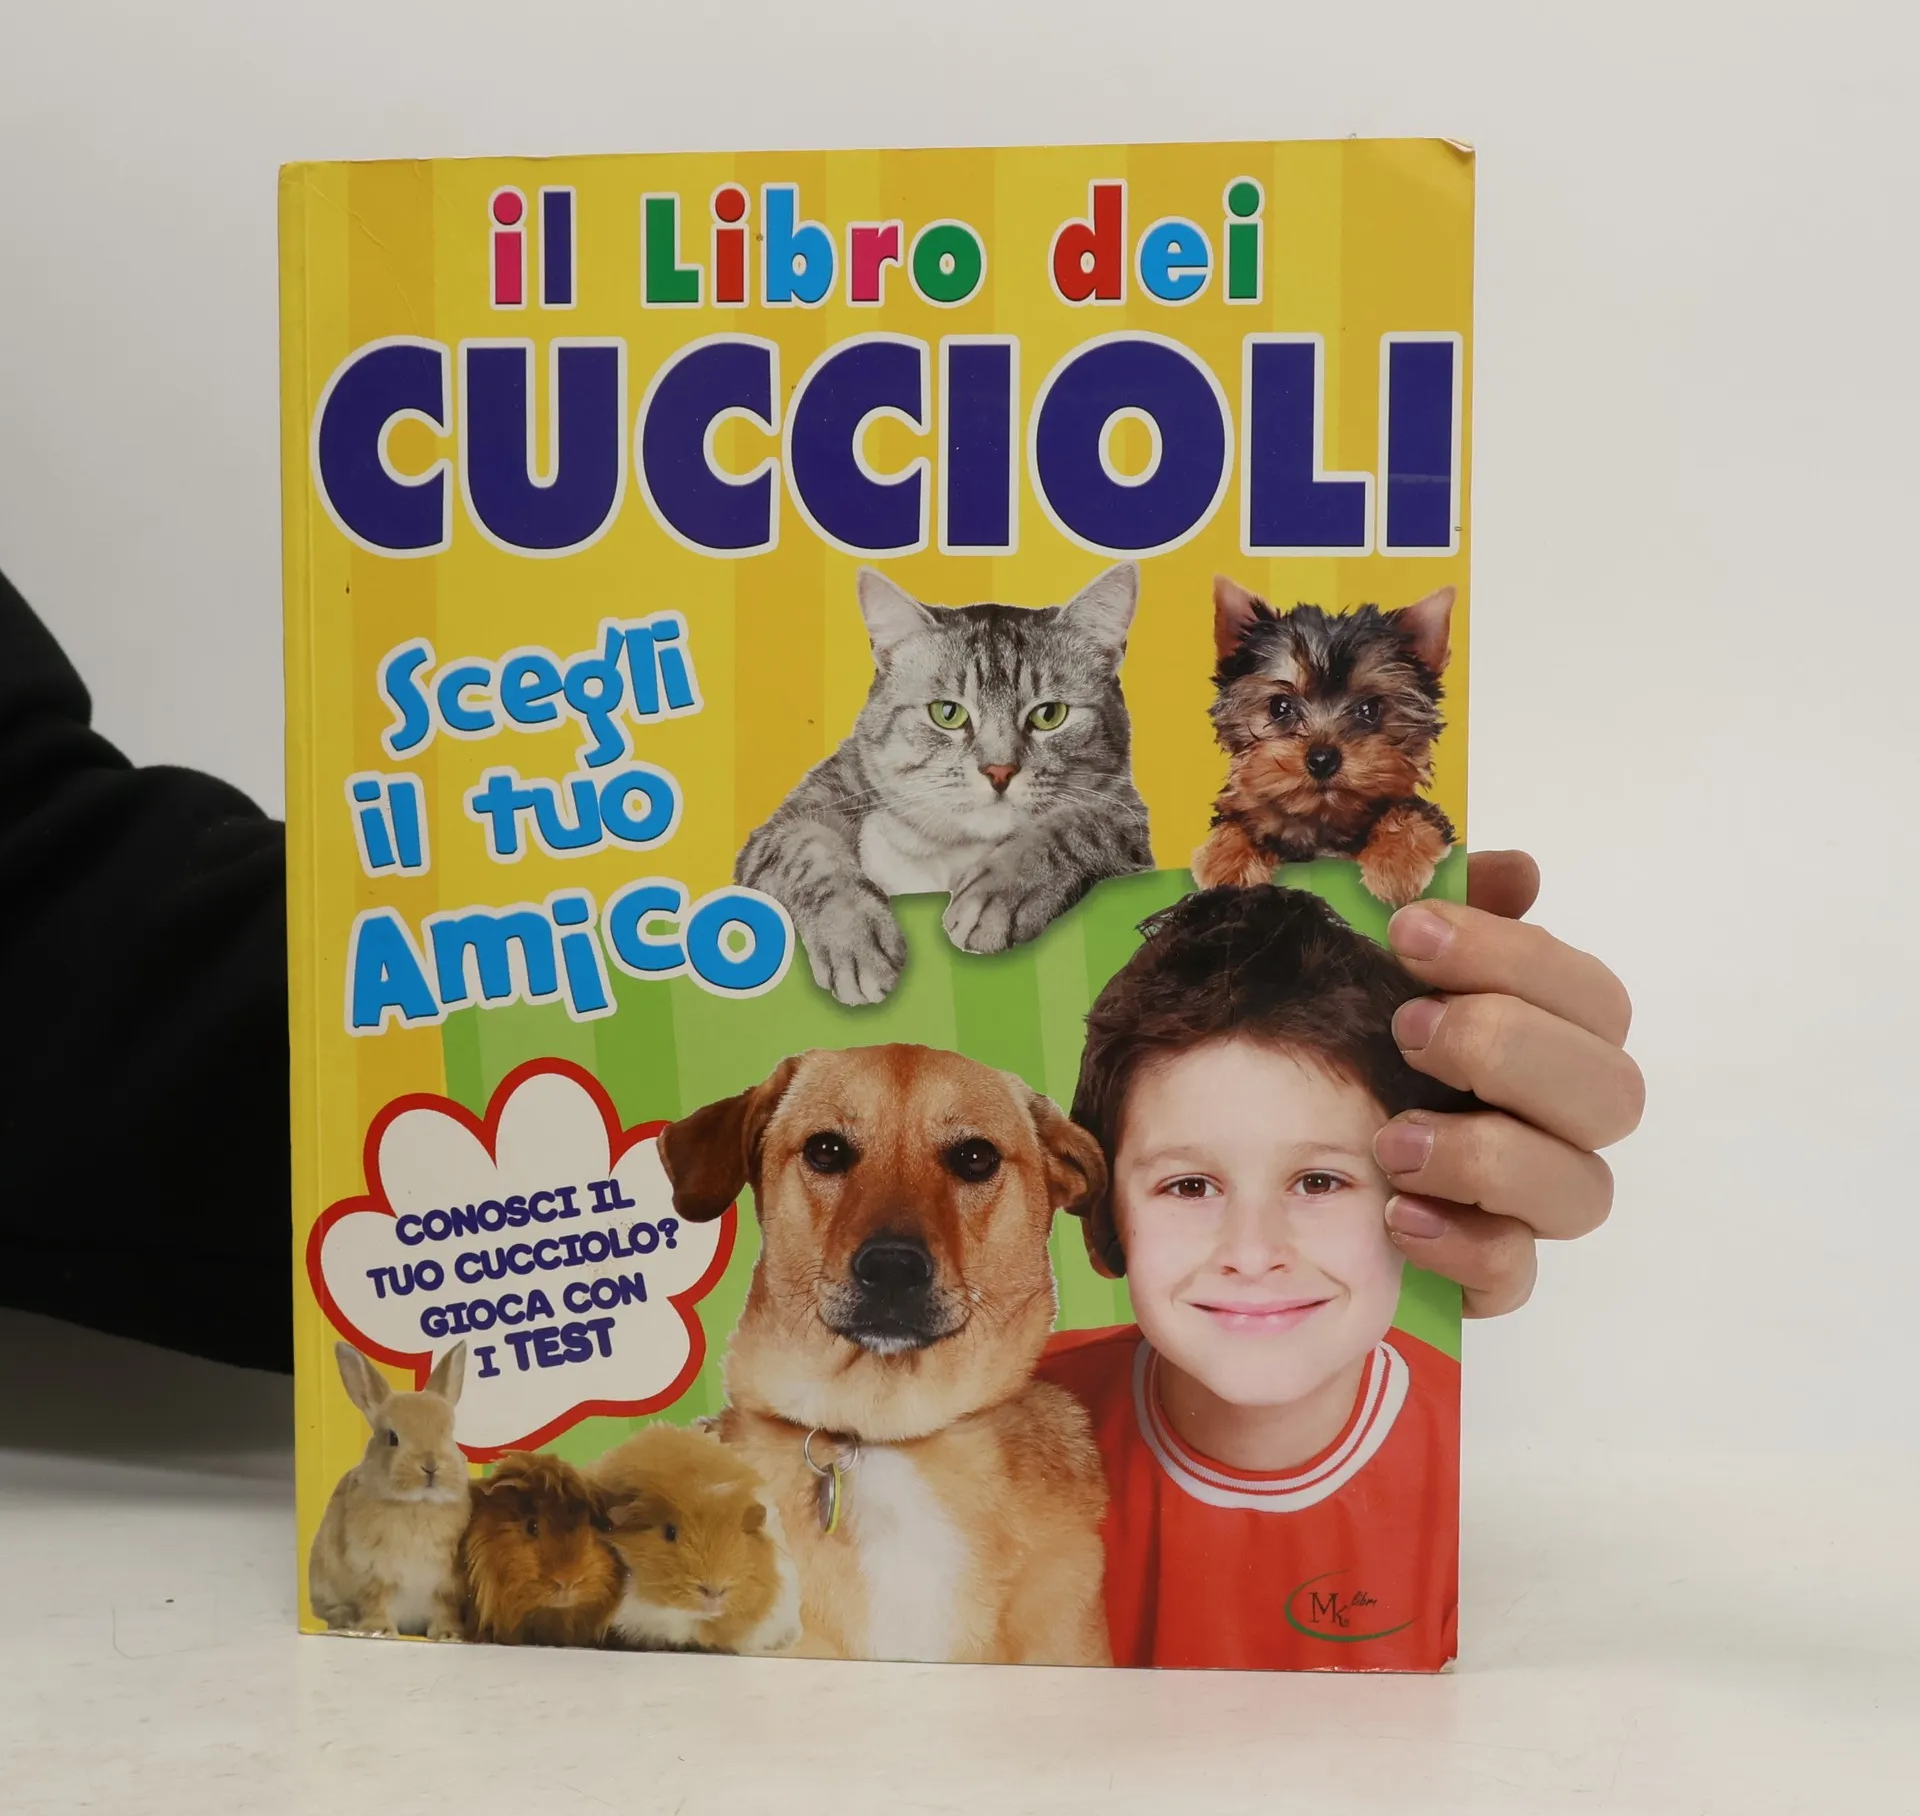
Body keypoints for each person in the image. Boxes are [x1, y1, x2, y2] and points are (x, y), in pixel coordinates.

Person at [0, 566, 1642, 1375]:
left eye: (1039, 725)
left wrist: (1348, 1037)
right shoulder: (843, 800)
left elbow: (47, 896)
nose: (998, 765)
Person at [1046, 884, 1557, 1670]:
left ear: (1418, 1198)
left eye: (1319, 1182)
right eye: (1190, 1186)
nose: (1253, 1253)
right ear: (1107, 1223)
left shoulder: (1488, 1458)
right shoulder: (1006, 1422)